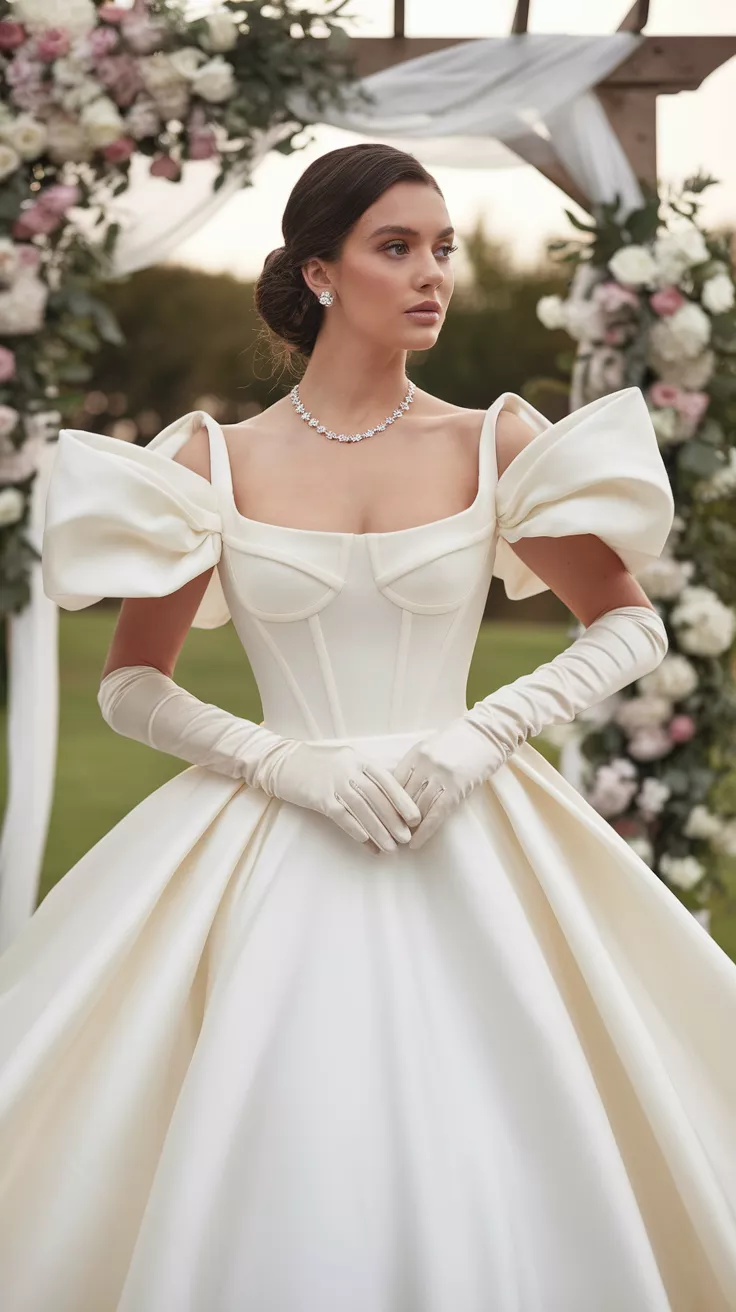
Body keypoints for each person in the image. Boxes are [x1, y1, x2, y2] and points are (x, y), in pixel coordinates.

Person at [0, 142, 735, 1312]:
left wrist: (478, 736)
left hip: (472, 821)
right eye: (396, 247)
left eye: (441, 247)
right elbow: (132, 679)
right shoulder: (210, 461)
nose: (432, 273)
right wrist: (276, 759)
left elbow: (626, 624)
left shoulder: (492, 440)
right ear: (321, 274)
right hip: (277, 833)